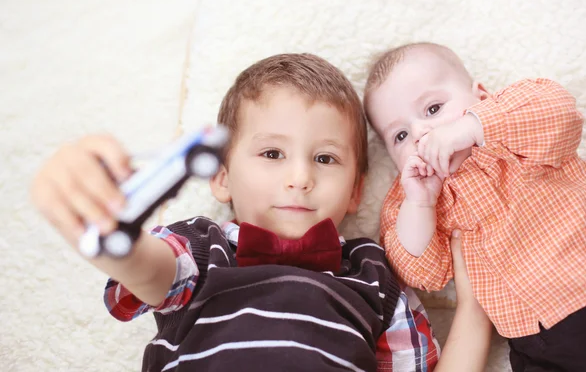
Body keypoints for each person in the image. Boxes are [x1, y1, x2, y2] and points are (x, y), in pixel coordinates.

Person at [31, 53, 490, 371]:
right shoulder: (202, 248)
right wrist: (109, 228)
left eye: (325, 159)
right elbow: (146, 271)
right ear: (221, 175)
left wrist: (473, 312)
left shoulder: (374, 275)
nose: (299, 177)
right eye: (271, 153)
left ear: (357, 191)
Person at [364, 42, 586, 371]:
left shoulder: (512, 133)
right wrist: (420, 204)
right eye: (400, 136)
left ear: (482, 97)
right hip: (534, 340)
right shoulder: (417, 196)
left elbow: (560, 111)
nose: (420, 133)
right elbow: (420, 271)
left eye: (433, 109)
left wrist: (474, 127)